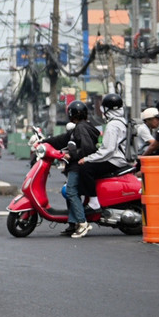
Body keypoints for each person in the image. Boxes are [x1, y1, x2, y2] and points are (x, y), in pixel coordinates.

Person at [69, 93, 130, 238]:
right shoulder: (121, 122)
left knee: (85, 168)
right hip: (118, 158)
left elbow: (108, 150)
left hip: (114, 160)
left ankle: (94, 202)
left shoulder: (113, 125)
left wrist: (88, 158)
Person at [54, 100, 100, 237]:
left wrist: (71, 155)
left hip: (77, 165)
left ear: (71, 114)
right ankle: (72, 223)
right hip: (79, 165)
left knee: (71, 192)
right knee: (71, 192)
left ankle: (82, 223)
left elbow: (87, 148)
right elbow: (62, 140)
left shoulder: (80, 128)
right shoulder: (84, 126)